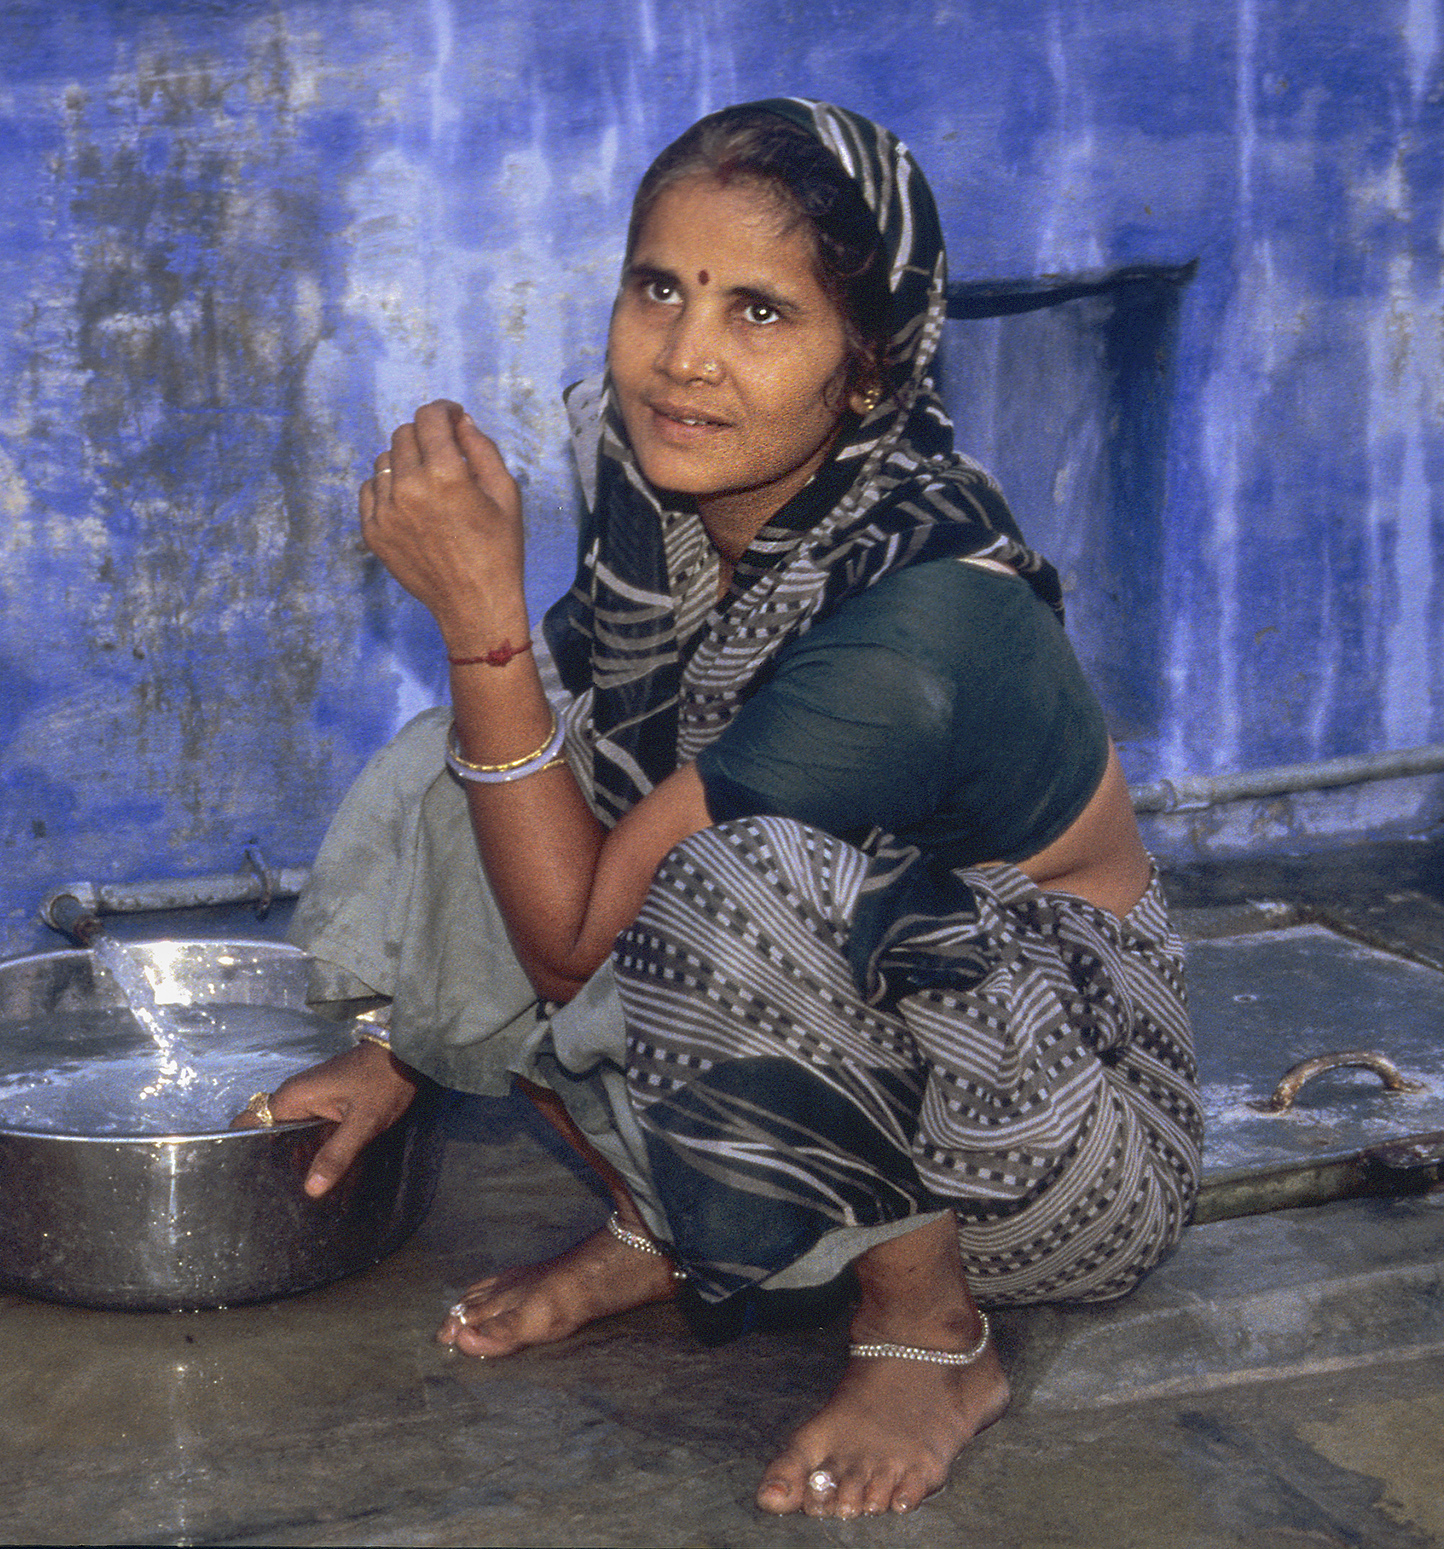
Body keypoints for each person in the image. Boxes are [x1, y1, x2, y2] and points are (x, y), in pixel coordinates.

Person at [235, 98, 1203, 1519]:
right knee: (494, 759)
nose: (685, 355)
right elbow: (542, 797)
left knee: (724, 873)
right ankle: (660, 1224)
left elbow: (580, 938)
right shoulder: (674, 511)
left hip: (1051, 1141)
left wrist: (481, 616)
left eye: (761, 310)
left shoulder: (928, 614)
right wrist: (407, 1050)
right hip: (871, 1063)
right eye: (659, 288)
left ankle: (929, 1337)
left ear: (866, 371)